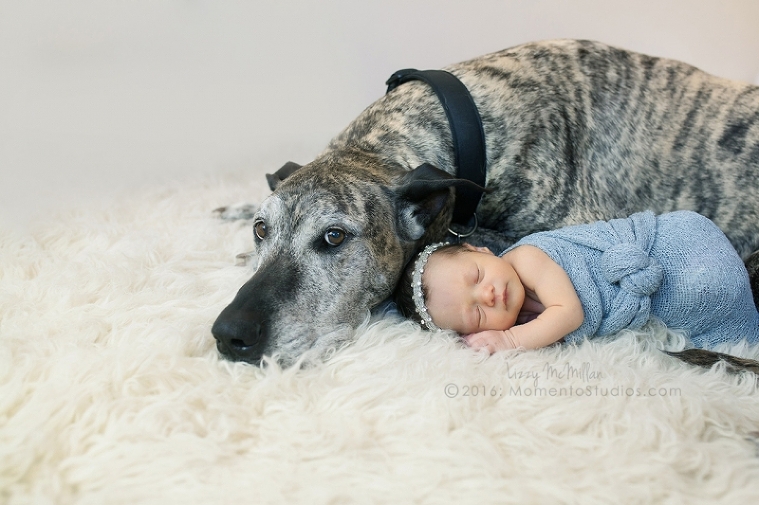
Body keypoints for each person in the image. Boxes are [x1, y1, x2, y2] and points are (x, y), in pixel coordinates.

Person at [394, 211, 759, 353]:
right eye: (475, 314)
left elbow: (569, 313)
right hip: (657, 285)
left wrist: (507, 339)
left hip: (678, 247)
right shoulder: (523, 315)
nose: (487, 295)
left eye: (476, 276)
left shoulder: (526, 257)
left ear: (481, 249)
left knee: (702, 291)